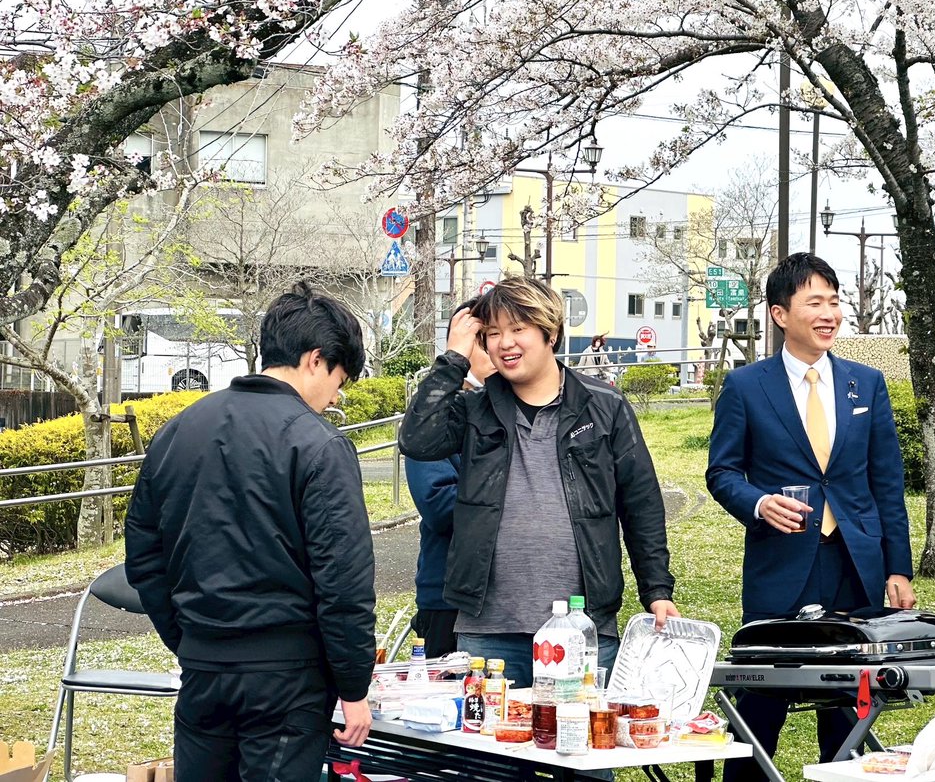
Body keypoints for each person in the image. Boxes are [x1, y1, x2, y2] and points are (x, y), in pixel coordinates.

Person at [125, 282, 375, 782]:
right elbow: (343, 579)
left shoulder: (177, 431)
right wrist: (354, 687)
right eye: (339, 380)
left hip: (202, 667)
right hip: (287, 677)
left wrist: (188, 639)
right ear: (316, 359)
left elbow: (143, 555)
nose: (335, 396)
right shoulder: (318, 443)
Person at [398, 276, 678, 688]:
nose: (504, 343)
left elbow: (641, 505)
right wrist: (454, 358)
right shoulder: (475, 409)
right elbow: (417, 439)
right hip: (487, 628)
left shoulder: (604, 407)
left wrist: (656, 589)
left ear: (550, 332)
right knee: (487, 751)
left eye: (517, 329)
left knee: (576, 746)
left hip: (584, 629)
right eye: (492, 333)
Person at [706, 252, 914, 775]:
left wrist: (898, 567)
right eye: (815, 302)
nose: (830, 314)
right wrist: (757, 502)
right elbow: (721, 472)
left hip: (854, 562)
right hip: (782, 563)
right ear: (780, 314)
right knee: (757, 710)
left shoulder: (865, 384)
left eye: (835, 301)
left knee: (848, 712)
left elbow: (886, 481)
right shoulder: (747, 387)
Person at [405, 298, 497, 659]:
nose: (501, 347)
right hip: (447, 596)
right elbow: (439, 505)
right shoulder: (436, 415)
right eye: (487, 337)